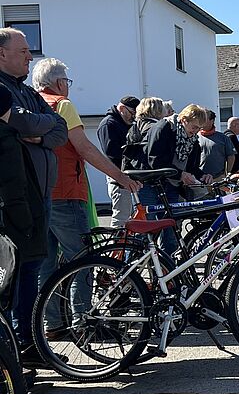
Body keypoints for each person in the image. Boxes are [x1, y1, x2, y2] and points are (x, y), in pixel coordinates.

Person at [33, 58, 141, 337]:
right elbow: (85, 149)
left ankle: (52, 324)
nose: (68, 87)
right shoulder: (62, 105)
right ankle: (84, 323)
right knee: (84, 260)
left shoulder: (32, 104)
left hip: (39, 193)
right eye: (67, 82)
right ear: (59, 83)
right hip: (67, 191)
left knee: (47, 264)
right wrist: (121, 177)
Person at [0, 28, 68, 359]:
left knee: (34, 264)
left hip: (40, 193)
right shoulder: (1, 90)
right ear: (2, 54)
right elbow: (25, 124)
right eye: (24, 50)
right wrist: (36, 125)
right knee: (18, 269)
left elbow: (59, 130)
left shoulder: (26, 92)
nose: (31, 56)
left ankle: (27, 342)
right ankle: (18, 344)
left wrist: (38, 133)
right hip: (14, 195)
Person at [0, 83, 46, 363]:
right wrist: (26, 222)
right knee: (14, 285)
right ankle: (16, 357)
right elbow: (13, 184)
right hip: (13, 224)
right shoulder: (6, 137)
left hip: (12, 220)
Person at [141, 104, 212, 256]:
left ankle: (168, 274)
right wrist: (180, 174)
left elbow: (192, 168)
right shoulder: (164, 128)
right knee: (146, 232)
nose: (196, 131)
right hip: (150, 183)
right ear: (183, 120)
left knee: (171, 232)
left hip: (172, 186)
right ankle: (130, 273)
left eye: (199, 128)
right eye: (194, 127)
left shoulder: (192, 140)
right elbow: (155, 161)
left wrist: (203, 176)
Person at [97, 95, 139, 228]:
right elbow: (112, 154)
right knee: (121, 217)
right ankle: (116, 247)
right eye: (132, 113)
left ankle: (123, 246)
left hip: (125, 176)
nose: (133, 117)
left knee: (129, 217)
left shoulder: (121, 124)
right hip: (118, 177)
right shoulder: (109, 124)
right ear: (122, 108)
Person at [122, 97, 167, 171]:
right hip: (150, 171)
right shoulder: (157, 127)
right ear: (158, 110)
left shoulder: (133, 127)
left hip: (133, 168)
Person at [198, 109, 235, 180]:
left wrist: (227, 173)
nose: (201, 122)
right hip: (200, 178)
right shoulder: (195, 137)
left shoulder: (223, 138)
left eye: (204, 119)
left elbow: (231, 156)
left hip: (218, 178)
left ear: (212, 121)